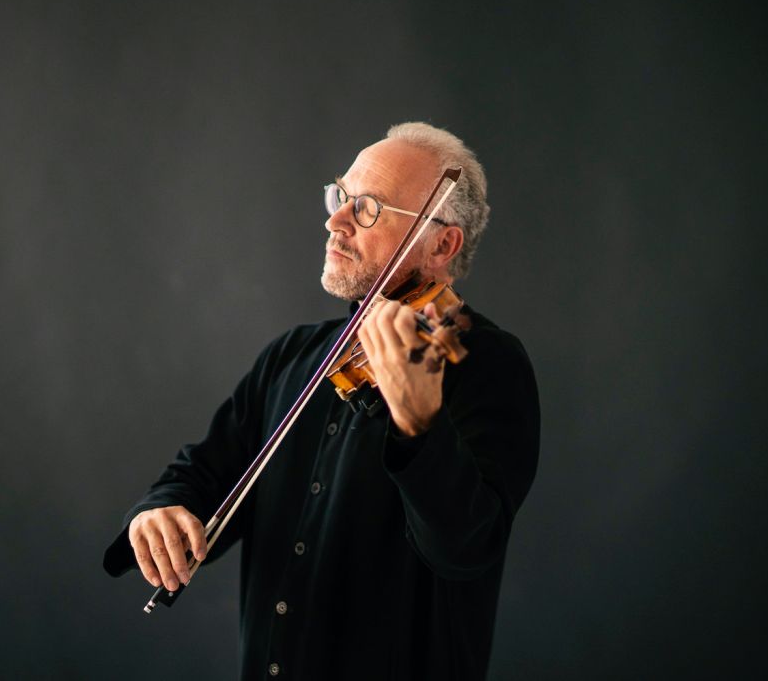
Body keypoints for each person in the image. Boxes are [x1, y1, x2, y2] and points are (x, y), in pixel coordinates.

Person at [103, 122, 540, 680]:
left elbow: (466, 548)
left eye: (369, 209)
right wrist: (160, 510)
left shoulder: (483, 365)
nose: (336, 221)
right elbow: (201, 474)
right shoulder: (293, 356)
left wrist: (419, 427)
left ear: (441, 245)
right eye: (341, 196)